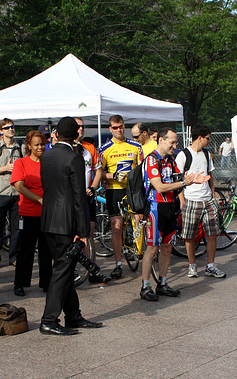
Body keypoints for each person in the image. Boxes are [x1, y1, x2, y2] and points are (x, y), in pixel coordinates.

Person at [39, 117, 102, 335]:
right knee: (62, 270)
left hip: (48, 219)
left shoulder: (46, 156)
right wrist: (83, 231)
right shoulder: (73, 158)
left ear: (56, 133)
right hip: (67, 222)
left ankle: (73, 316)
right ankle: (49, 319)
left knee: (64, 267)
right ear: (76, 135)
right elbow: (78, 196)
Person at [140, 128, 196, 301]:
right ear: (161, 140)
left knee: (167, 247)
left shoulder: (170, 160)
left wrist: (187, 181)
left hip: (170, 207)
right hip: (156, 208)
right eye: (172, 142)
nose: (174, 145)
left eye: (175, 142)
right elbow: (160, 187)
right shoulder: (151, 159)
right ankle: (145, 286)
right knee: (152, 248)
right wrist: (183, 182)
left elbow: (176, 180)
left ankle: (162, 283)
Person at [174, 125, 224, 280]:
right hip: (191, 200)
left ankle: (210, 266)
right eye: (208, 138)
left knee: (213, 233)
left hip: (207, 200)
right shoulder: (183, 155)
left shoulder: (207, 154)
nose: (209, 141)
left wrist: (213, 194)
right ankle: (192, 265)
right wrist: (182, 200)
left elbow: (210, 176)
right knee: (189, 235)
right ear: (200, 138)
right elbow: (178, 179)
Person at [100, 114, 144, 279]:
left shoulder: (135, 146)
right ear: (110, 128)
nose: (119, 130)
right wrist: (113, 176)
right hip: (114, 189)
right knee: (116, 227)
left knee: (138, 220)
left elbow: (142, 168)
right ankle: (118, 264)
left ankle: (139, 250)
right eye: (115, 127)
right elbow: (99, 174)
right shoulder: (105, 149)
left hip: (132, 190)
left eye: (121, 126)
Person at [11, 130, 52, 296]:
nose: (40, 147)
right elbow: (19, 186)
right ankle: (20, 283)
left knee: (46, 250)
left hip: (47, 213)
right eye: (37, 144)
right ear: (29, 146)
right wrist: (39, 199)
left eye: (42, 144)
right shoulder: (21, 163)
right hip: (28, 212)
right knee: (25, 250)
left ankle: (46, 282)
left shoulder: (48, 163)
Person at [0, 118, 24, 269]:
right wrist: (5, 168)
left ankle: (14, 256)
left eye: (12, 127)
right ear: (1, 130)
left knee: (17, 228)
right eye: (7, 128)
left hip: (16, 193)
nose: (10, 130)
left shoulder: (20, 147)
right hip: (1, 191)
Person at [74, 117, 108, 284]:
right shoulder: (67, 147)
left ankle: (92, 270)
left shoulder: (90, 148)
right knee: (73, 235)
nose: (81, 129)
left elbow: (99, 171)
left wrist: (93, 188)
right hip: (72, 199)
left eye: (82, 126)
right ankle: (72, 269)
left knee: (90, 233)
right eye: (77, 127)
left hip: (87, 196)